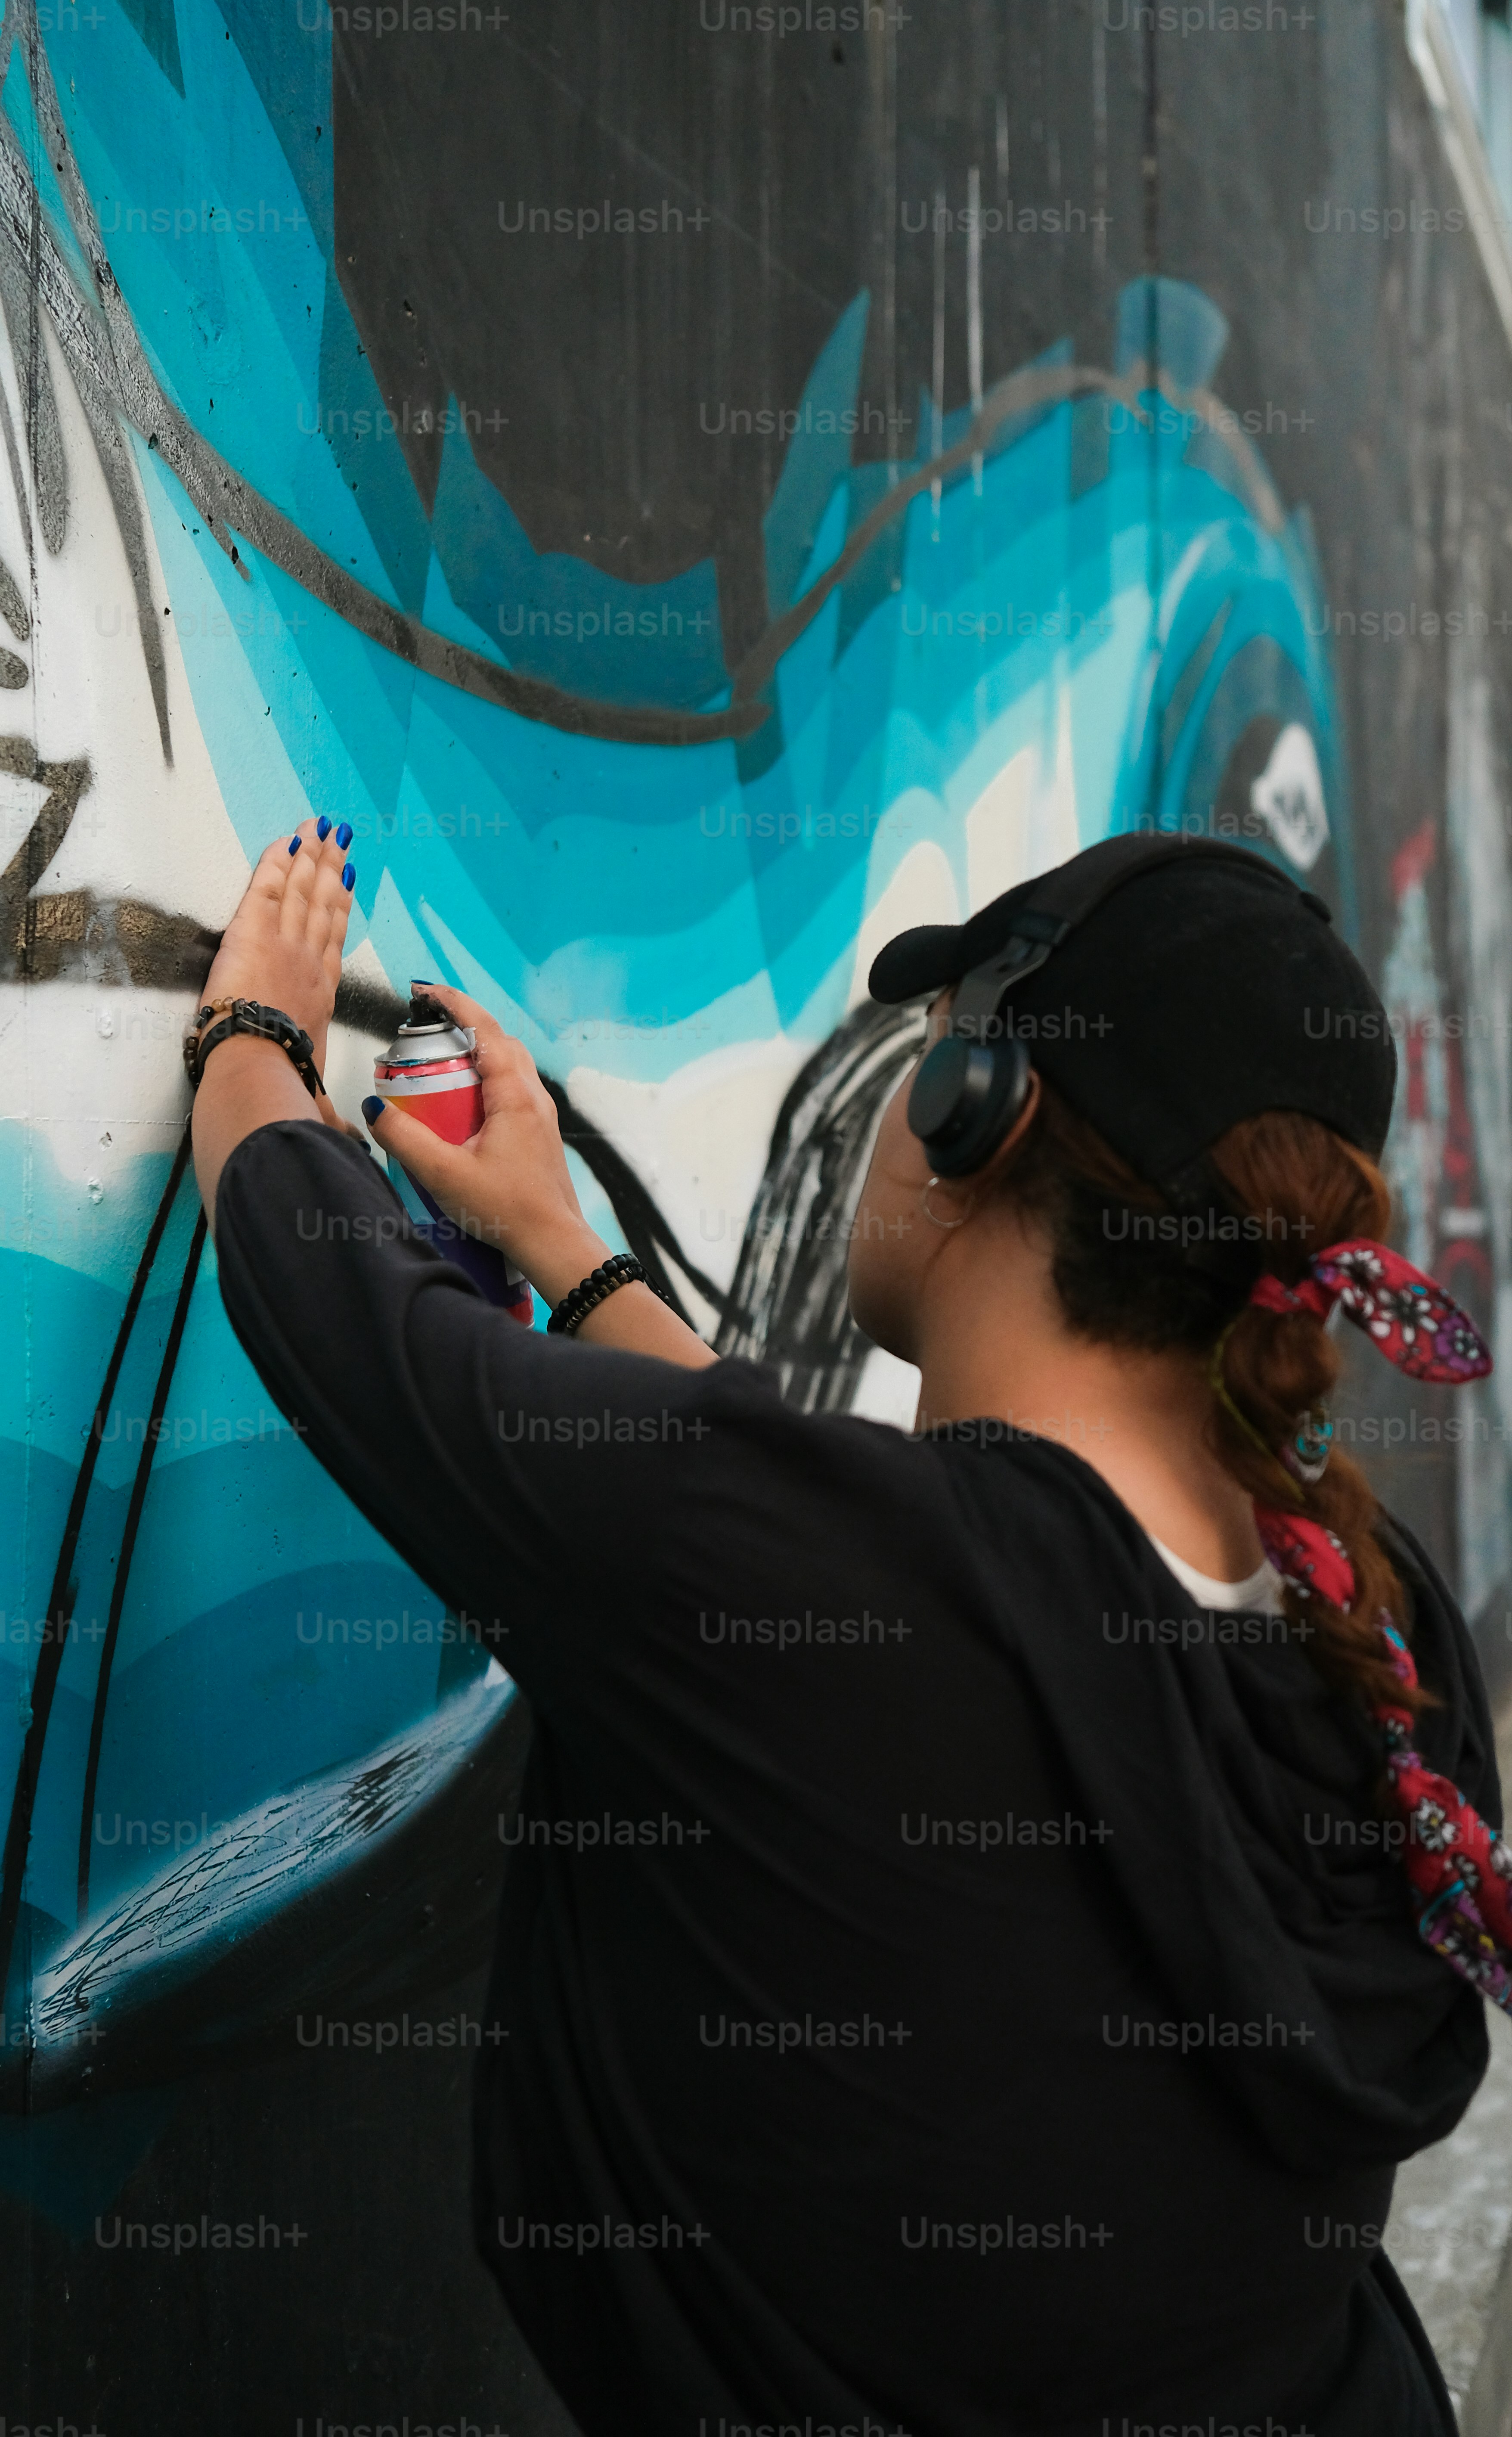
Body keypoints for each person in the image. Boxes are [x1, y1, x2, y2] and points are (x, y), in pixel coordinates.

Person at [187, 816, 1510, 2437]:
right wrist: (567, 1249)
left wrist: (251, 1031)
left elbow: (330, 1299)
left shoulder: (819, 1570)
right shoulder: (1382, 1634)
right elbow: (830, 1558)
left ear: (983, 1112)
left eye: (924, 1048)